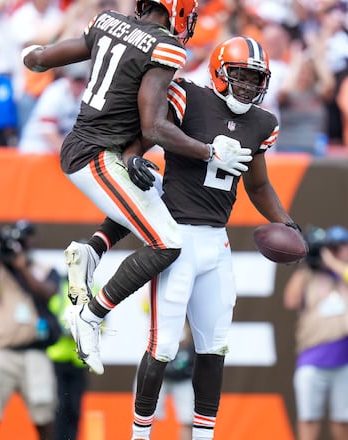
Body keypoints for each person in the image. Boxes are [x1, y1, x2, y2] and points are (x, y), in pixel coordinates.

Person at [22, 0, 254, 375]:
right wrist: (209, 152)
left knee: (158, 196)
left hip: (96, 148)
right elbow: (154, 128)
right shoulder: (165, 46)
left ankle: (91, 252)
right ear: (177, 11)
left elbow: (45, 57)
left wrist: (32, 56)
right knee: (167, 242)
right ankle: (90, 316)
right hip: (96, 155)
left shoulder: (108, 21)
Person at [128, 35, 300, 440]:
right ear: (220, 73)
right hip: (175, 236)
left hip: (216, 240)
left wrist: (288, 224)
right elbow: (154, 129)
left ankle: (204, 435)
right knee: (164, 344)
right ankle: (140, 434)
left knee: (215, 346)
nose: (247, 87)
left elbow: (258, 187)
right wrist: (136, 154)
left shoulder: (262, 123)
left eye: (255, 80)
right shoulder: (190, 97)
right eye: (240, 77)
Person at [283, 226, 348, 440]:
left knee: (342, 422)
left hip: (347, 360)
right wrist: (307, 263)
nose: (337, 251)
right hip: (312, 358)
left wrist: (332, 263)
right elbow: (290, 300)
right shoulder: (309, 275)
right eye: (332, 247)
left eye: (341, 246)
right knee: (308, 418)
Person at [0, 221, 62, 440]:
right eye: (19, 241)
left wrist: (23, 267)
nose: (23, 245)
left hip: (35, 350)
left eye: (27, 239)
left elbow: (49, 292)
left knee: (44, 411)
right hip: (0, 350)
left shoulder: (43, 268)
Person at [46, 277, 90, 440]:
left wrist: (81, 331)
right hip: (58, 358)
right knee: (58, 407)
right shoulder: (58, 286)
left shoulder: (93, 287)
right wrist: (66, 330)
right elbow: (50, 318)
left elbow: (102, 322)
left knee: (75, 408)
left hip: (79, 359)